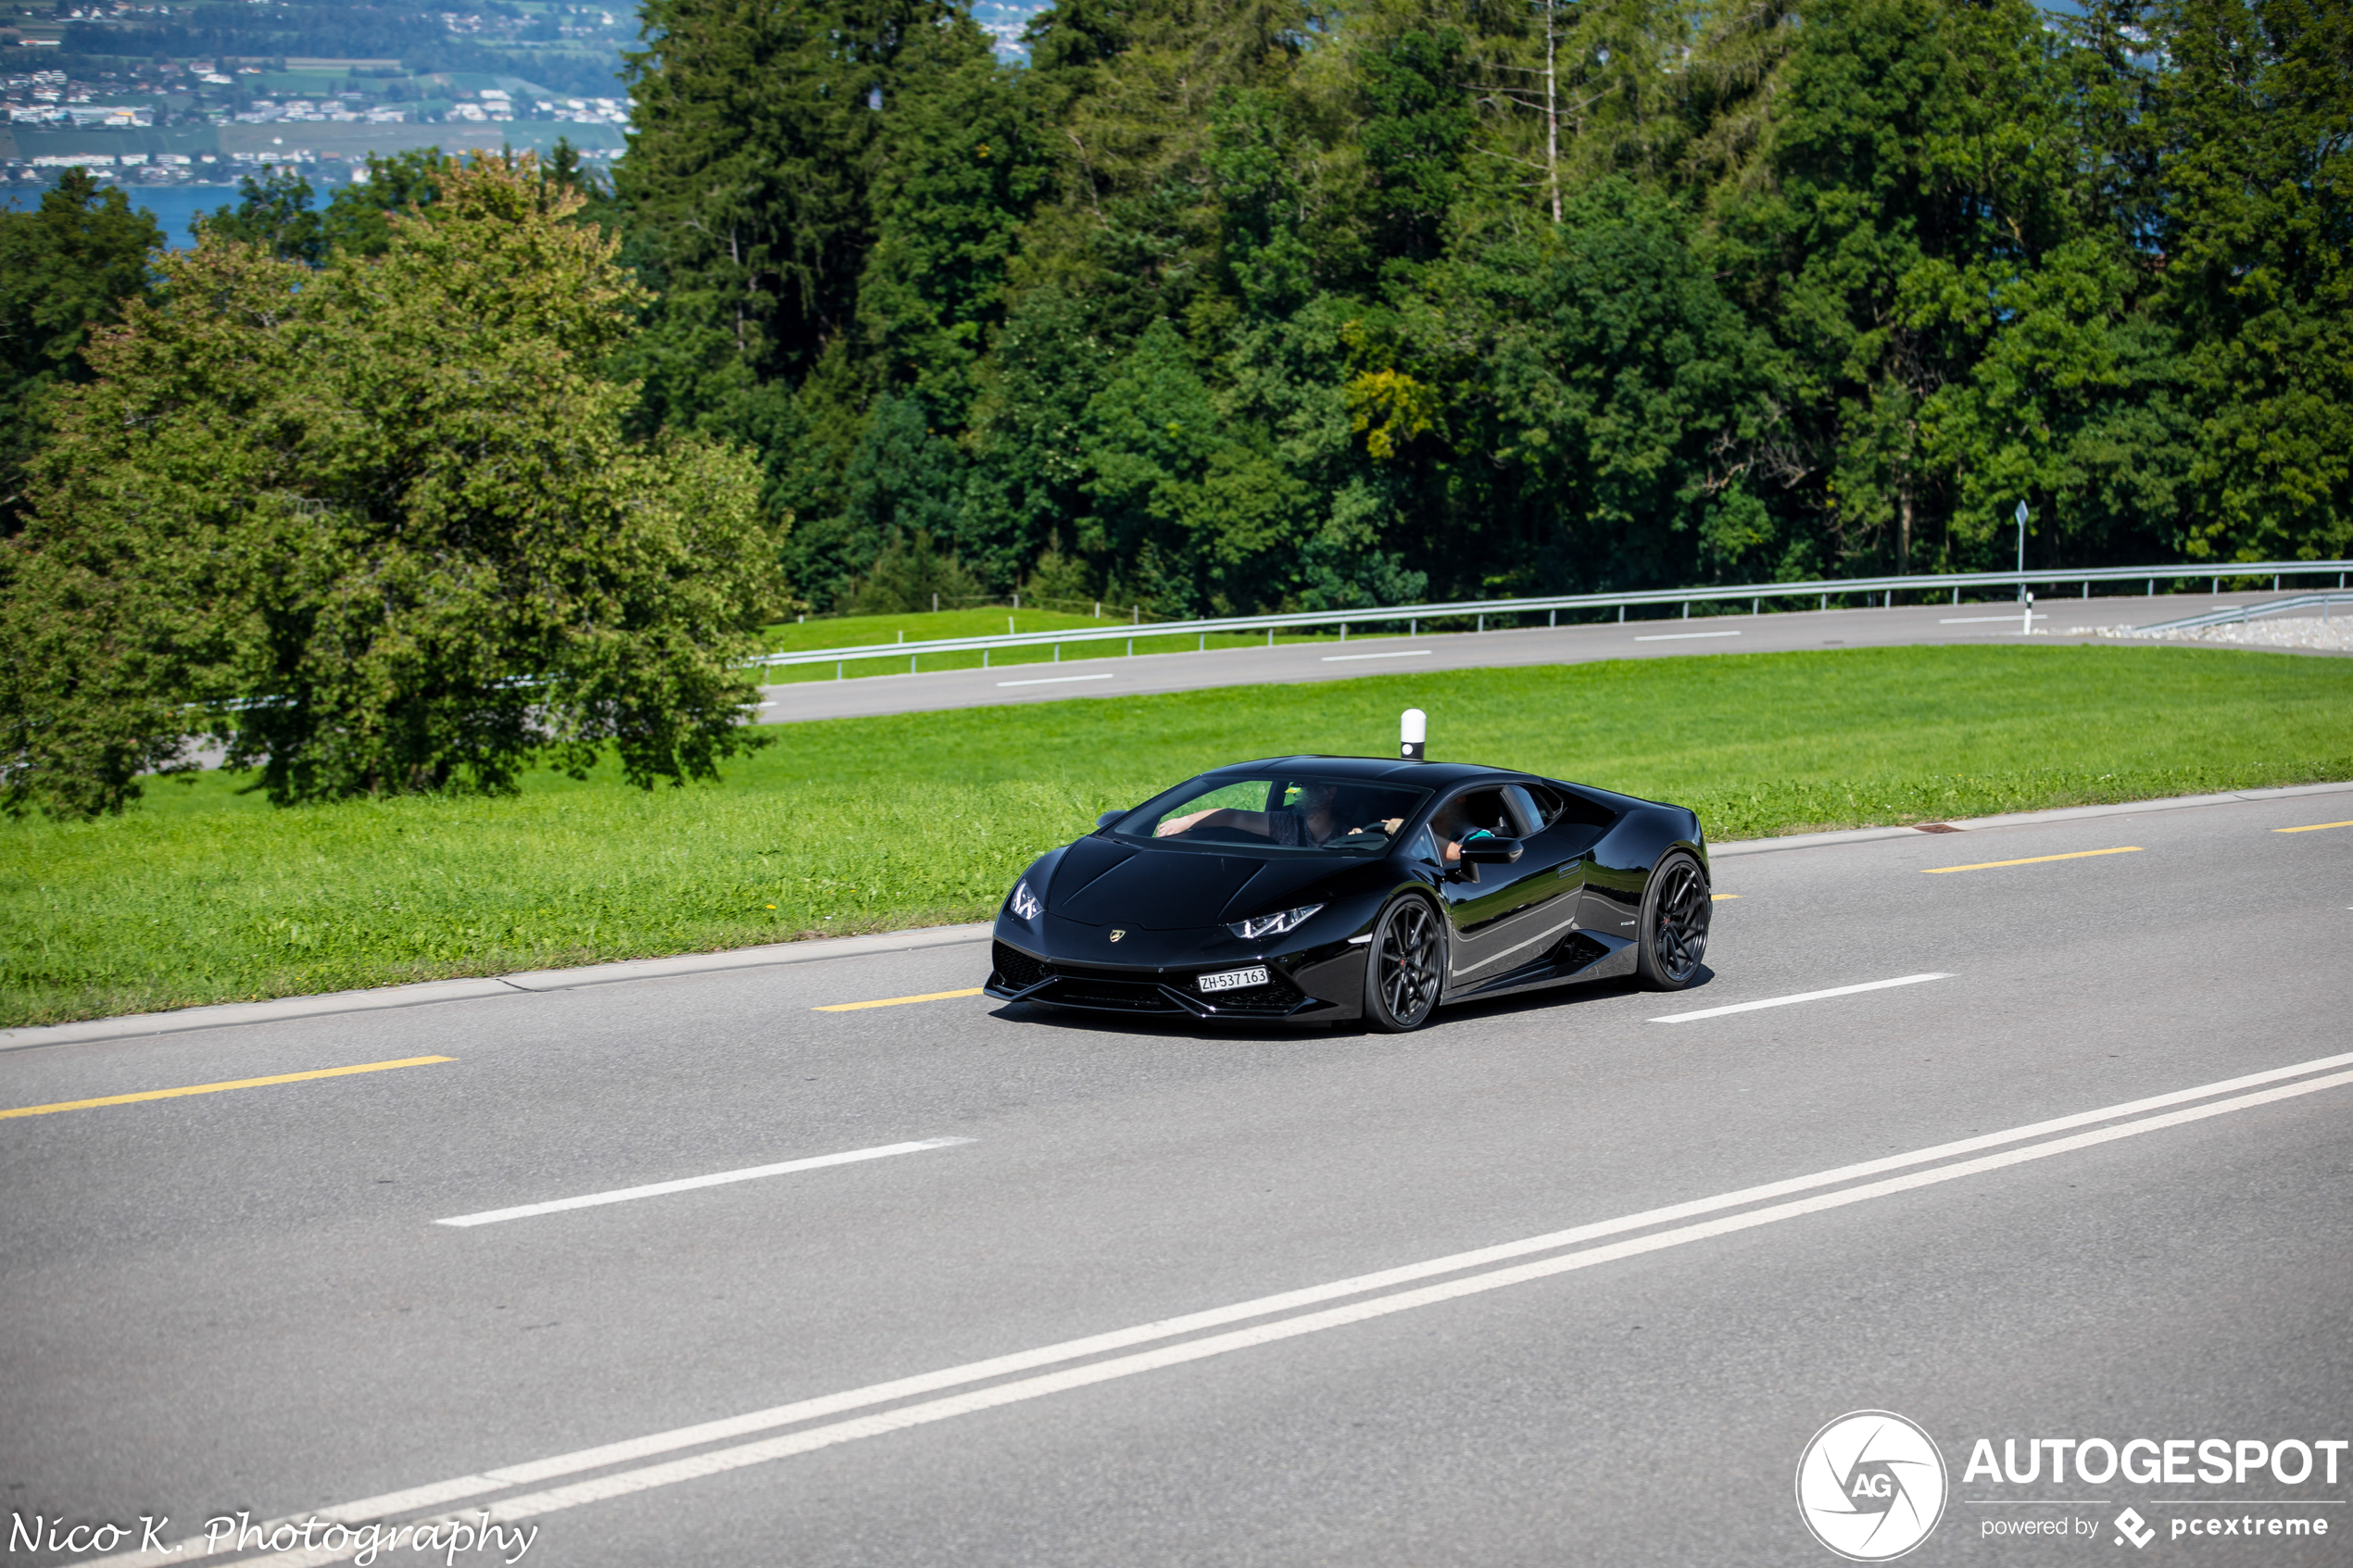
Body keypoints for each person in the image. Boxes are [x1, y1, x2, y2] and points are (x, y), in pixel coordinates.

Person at [1156, 781, 1398, 847]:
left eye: (1305, 788)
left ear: (1329, 793)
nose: (1297, 793)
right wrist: (1185, 821)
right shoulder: (1286, 824)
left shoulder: (1350, 833)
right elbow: (1231, 816)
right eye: (1296, 788)